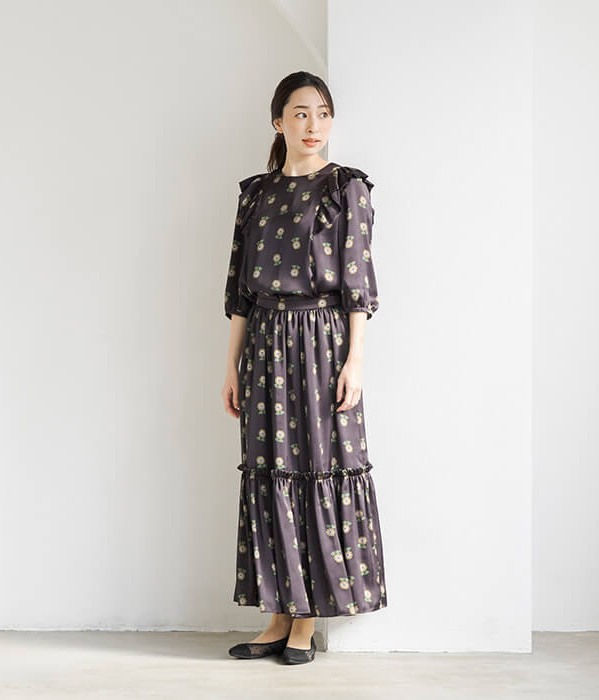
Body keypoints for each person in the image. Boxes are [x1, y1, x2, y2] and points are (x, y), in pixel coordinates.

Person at [221, 71, 387, 665]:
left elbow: (358, 283)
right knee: (271, 470)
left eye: (322, 113)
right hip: (265, 343)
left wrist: (355, 361)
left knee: (317, 466)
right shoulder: (255, 194)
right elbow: (240, 291)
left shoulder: (346, 188)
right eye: (300, 113)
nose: (313, 125)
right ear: (278, 122)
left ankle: (306, 619)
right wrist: (232, 366)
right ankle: (277, 615)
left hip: (322, 342)